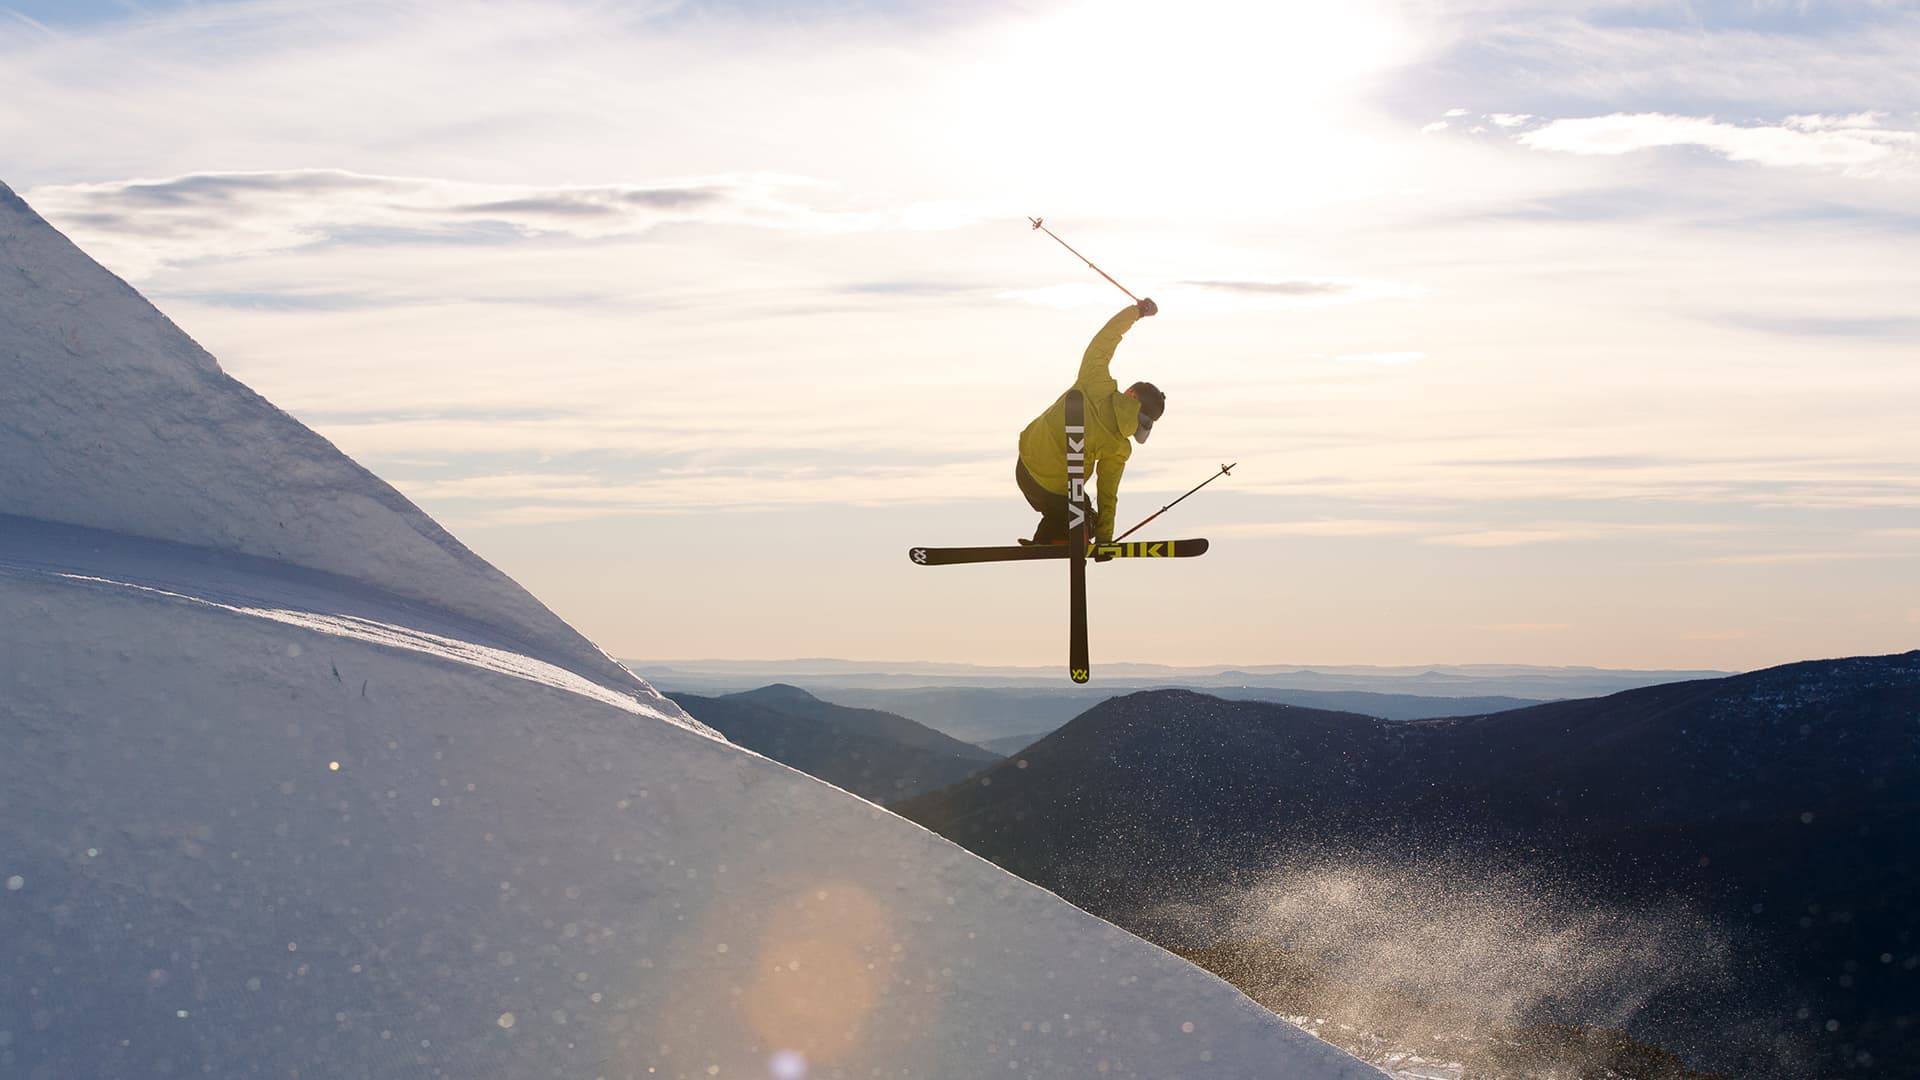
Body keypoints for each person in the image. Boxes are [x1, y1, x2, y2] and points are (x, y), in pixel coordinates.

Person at [1016, 297, 1165, 546]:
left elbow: (1106, 339)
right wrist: (1105, 538)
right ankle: (1072, 533)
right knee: (1083, 511)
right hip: (1059, 491)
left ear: (1131, 394)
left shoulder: (1095, 381)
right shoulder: (1119, 447)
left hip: (1026, 467)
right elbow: (1108, 494)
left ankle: (1051, 538)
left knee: (1072, 507)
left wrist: (1137, 312)